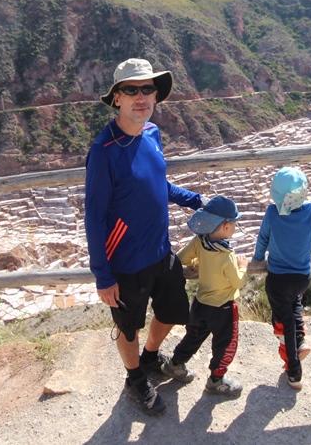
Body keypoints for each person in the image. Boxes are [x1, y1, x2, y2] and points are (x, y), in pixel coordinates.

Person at [84, 58, 204, 416]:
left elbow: (157, 183)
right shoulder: (104, 152)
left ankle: (150, 359)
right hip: (125, 261)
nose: (142, 96)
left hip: (160, 250)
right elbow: (93, 215)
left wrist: (193, 199)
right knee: (129, 326)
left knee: (170, 311)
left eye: (148, 88)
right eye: (131, 90)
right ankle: (134, 378)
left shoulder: (151, 133)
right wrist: (103, 276)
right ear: (116, 98)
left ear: (156, 95)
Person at [161, 196, 250, 398]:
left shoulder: (199, 241)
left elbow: (181, 258)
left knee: (193, 336)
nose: (235, 226)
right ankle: (216, 381)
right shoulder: (227, 255)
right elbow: (238, 282)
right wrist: (243, 268)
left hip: (200, 303)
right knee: (224, 343)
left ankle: (175, 365)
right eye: (234, 223)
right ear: (226, 226)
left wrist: (200, 262)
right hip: (223, 308)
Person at [252, 166, 311, 390]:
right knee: (295, 304)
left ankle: (294, 371)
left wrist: (256, 259)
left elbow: (262, 239)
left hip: (277, 279)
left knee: (284, 324)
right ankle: (300, 341)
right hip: (302, 277)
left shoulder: (272, 213)